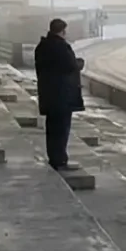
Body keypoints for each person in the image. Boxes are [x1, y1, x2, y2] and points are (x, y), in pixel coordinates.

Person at [33, 18, 84, 169]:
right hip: (62, 95)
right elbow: (70, 66)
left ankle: (54, 157)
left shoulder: (42, 46)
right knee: (62, 130)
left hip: (48, 94)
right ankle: (60, 160)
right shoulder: (60, 47)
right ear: (62, 31)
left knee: (52, 129)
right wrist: (79, 63)